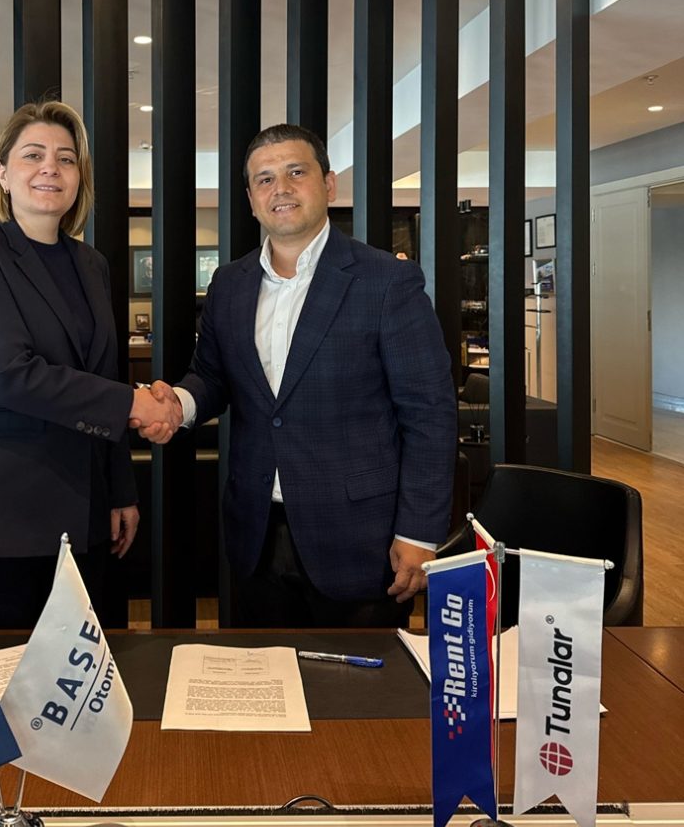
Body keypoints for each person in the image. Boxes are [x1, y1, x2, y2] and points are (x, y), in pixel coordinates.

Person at [138, 123, 457, 627]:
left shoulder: (386, 282)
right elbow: (213, 376)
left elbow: (430, 414)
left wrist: (418, 531)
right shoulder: (229, 284)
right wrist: (180, 403)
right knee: (263, 673)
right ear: (251, 199)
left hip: (361, 539)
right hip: (257, 534)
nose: (280, 188)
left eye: (295, 172)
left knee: (360, 679)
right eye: (264, 179)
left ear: (328, 185)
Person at [0, 101, 178, 627]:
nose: (50, 168)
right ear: (3, 173)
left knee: (82, 670)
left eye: (65, 159)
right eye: (33, 155)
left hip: (84, 512)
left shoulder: (91, 264)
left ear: (79, 177)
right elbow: (7, 373)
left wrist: (120, 489)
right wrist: (133, 404)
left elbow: (101, 374)